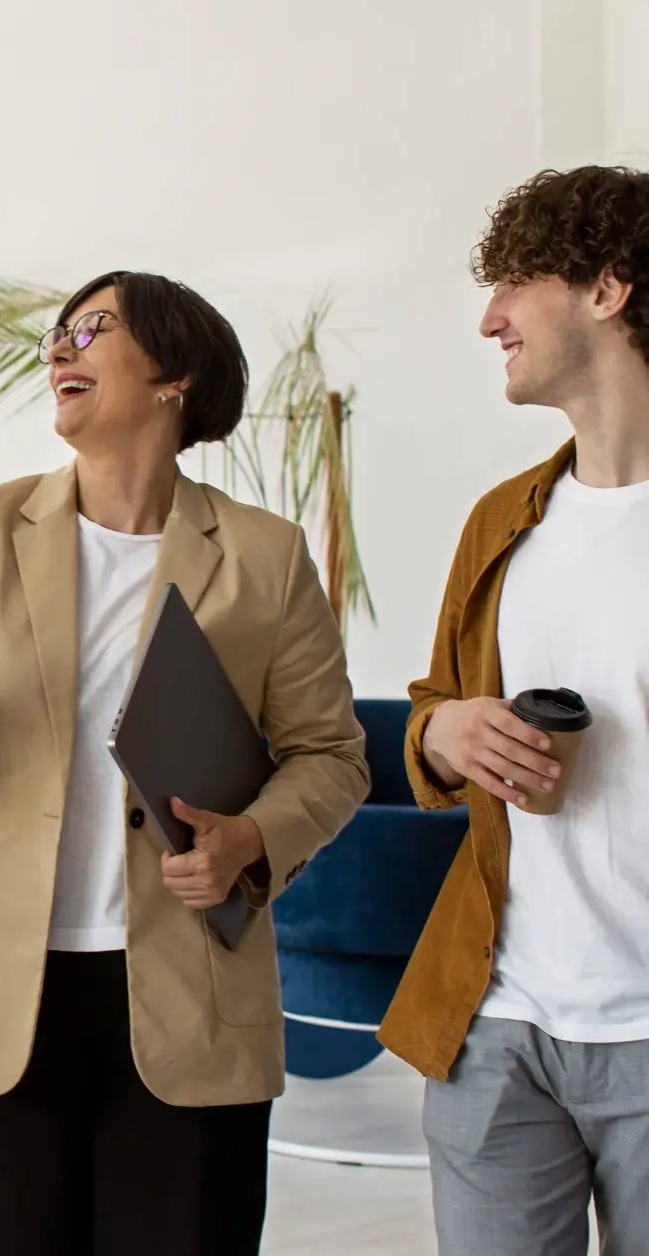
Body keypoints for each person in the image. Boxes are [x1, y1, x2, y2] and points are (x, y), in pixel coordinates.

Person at [0, 270, 369, 1256]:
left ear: (175, 374)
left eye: (92, 329)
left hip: (191, 995)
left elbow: (331, 756)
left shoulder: (262, 556)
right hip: (8, 991)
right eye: (57, 334)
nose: (60, 348)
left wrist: (252, 840)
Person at [378, 164, 649, 1256]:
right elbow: (434, 709)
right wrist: (443, 734)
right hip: (499, 1026)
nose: (491, 317)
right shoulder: (507, 520)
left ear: (607, 289)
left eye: (515, 283)